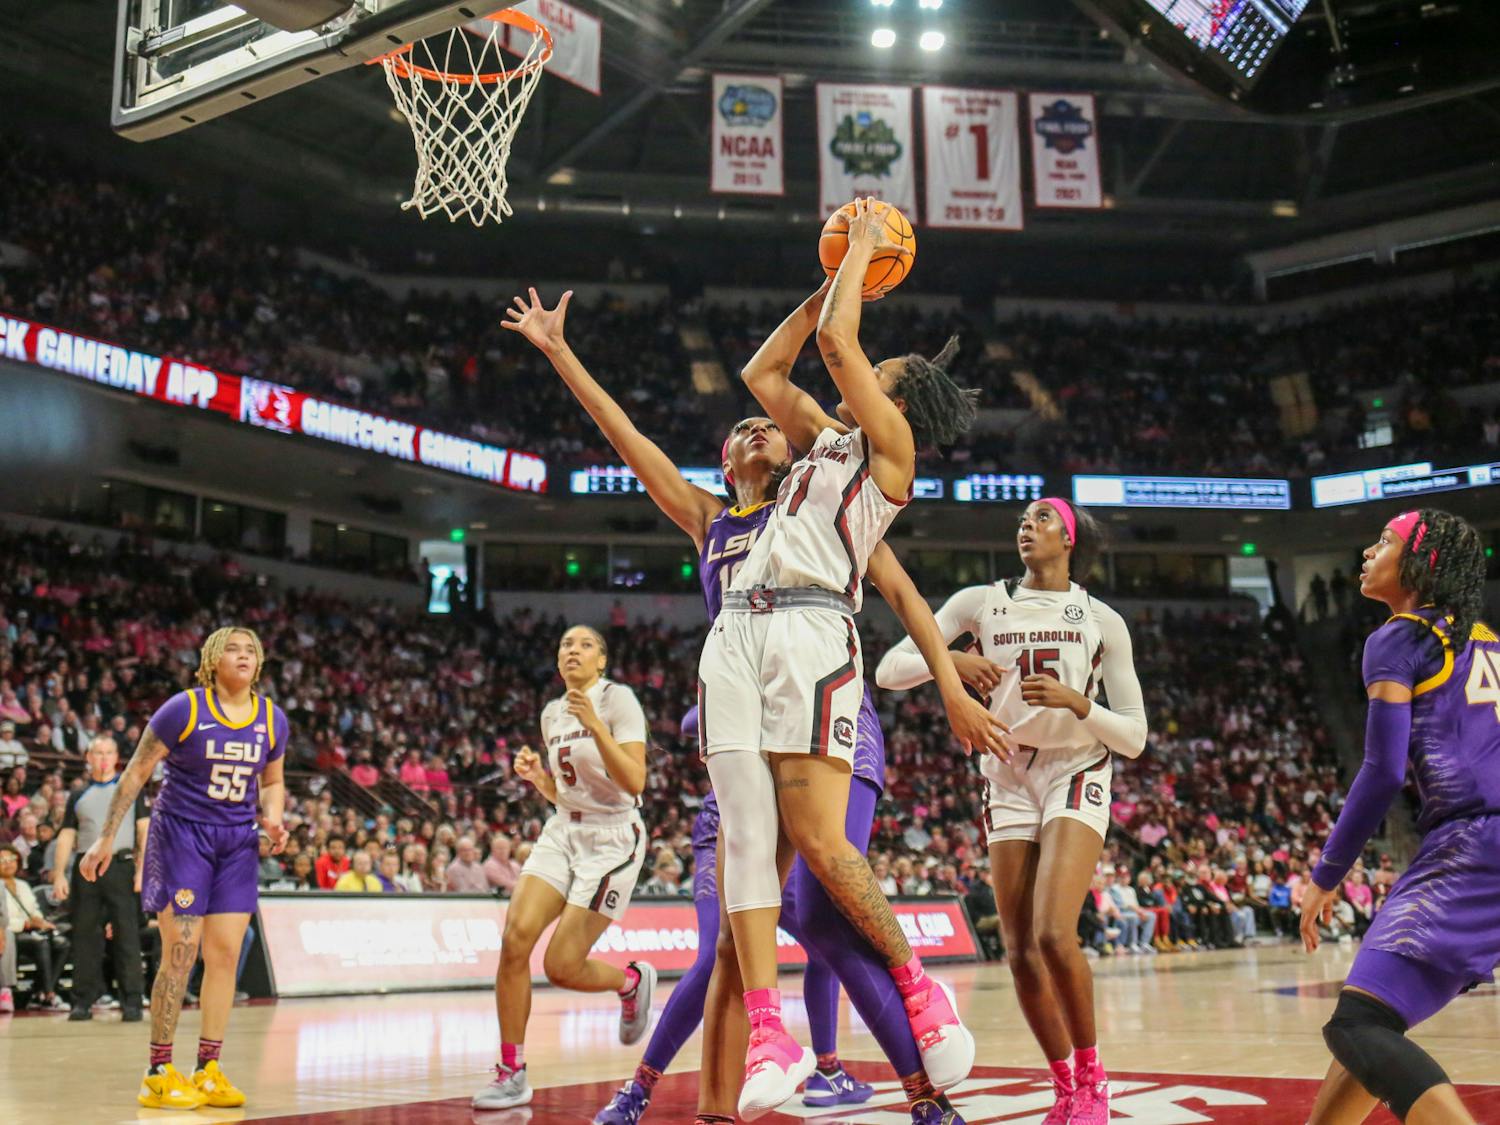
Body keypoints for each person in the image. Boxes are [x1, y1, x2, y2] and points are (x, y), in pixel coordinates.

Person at [504, 281, 985, 1124]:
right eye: (739, 432)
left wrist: (947, 679)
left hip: (823, 697)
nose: (754, 428)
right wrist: (559, 353)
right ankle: (714, 1100)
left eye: (764, 424)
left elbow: (904, 593)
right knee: (730, 936)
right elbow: (626, 435)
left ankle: (919, 1079)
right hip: (741, 708)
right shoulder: (709, 521)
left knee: (822, 910)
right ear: (726, 466)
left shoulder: (821, 501)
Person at [701, 197, 1005, 1120]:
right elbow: (765, 367)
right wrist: (832, 275)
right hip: (740, 634)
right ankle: (767, 1031)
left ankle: (918, 984)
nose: (865, 367)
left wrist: (863, 253)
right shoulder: (824, 442)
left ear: (898, 397)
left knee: (821, 845)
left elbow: (837, 347)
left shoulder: (891, 451)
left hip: (810, 631)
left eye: (883, 371)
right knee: (748, 844)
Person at [877, 496, 1148, 1125]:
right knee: (1020, 949)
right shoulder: (980, 603)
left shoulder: (1100, 618)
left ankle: (1094, 1077)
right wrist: (949, 661)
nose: (1027, 525)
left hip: (1074, 770)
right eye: (1023, 519)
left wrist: (1078, 705)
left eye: (1042, 519)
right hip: (1007, 776)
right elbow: (891, 669)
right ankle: (1063, 1086)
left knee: (1055, 933)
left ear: (1070, 538)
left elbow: (1134, 736)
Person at [1301, 509, 1497, 1125]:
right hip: (1485, 842)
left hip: (1473, 841)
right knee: (1373, 1017)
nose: (1367, 550)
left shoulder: (1398, 637)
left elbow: (1382, 772)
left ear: (1423, 562)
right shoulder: (1484, 637)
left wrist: (1327, 873)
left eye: (1384, 541)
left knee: (1359, 1025)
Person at [80, 626, 288, 1111]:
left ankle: (208, 1067)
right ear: (213, 659)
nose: (243, 656)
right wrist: (107, 838)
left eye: (251, 651)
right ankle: (158, 1070)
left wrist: (273, 818)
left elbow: (272, 781)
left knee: (224, 955)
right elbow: (135, 772)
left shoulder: (273, 719)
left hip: (237, 844)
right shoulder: (184, 709)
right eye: (233, 649)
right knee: (182, 951)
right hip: (181, 837)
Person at [472, 625, 656, 1111]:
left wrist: (596, 724)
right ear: (558, 663)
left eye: (585, 645)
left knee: (560, 967)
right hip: (563, 830)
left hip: (614, 837)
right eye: (565, 646)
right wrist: (539, 780)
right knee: (515, 939)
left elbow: (635, 779)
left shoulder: (618, 701)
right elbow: (567, 790)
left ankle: (630, 982)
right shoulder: (552, 712)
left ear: (602, 662)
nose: (573, 650)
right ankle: (512, 1071)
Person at [53, 735, 149, 1021]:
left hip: (121, 866)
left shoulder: (131, 789)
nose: (104, 758)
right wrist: (59, 873)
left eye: (109, 752)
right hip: (87, 870)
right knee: (84, 937)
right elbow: (67, 834)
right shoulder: (78, 794)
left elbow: (144, 829)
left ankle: (132, 1001)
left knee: (127, 936)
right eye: (98, 752)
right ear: (88, 757)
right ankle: (82, 1001)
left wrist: (144, 869)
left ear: (116, 757)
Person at [1, 844, 70, 1011]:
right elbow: (3, 919)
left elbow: (33, 910)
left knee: (62, 943)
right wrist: (26, 924)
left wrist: (39, 920)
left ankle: (40, 992)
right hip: (11, 932)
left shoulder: (23, 885)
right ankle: (49, 994)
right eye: (2, 860)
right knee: (40, 943)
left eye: (11, 859)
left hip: (31, 929)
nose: (8, 863)